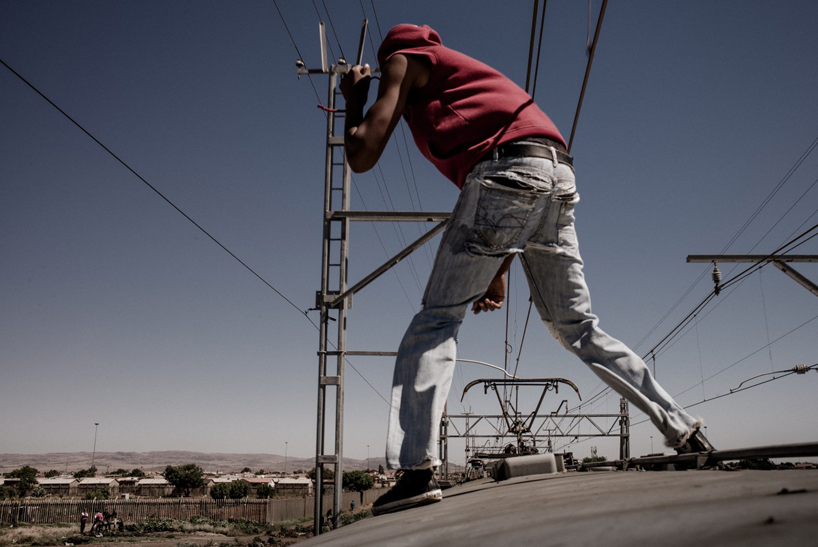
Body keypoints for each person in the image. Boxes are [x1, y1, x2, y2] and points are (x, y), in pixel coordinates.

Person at [340, 24, 714, 516]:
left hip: (506, 174)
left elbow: (363, 152)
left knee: (436, 320)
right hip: (555, 176)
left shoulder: (402, 59)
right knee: (578, 328)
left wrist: (353, 98)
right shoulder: (462, 76)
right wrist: (498, 270)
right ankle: (686, 432)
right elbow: (520, 191)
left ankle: (416, 471)